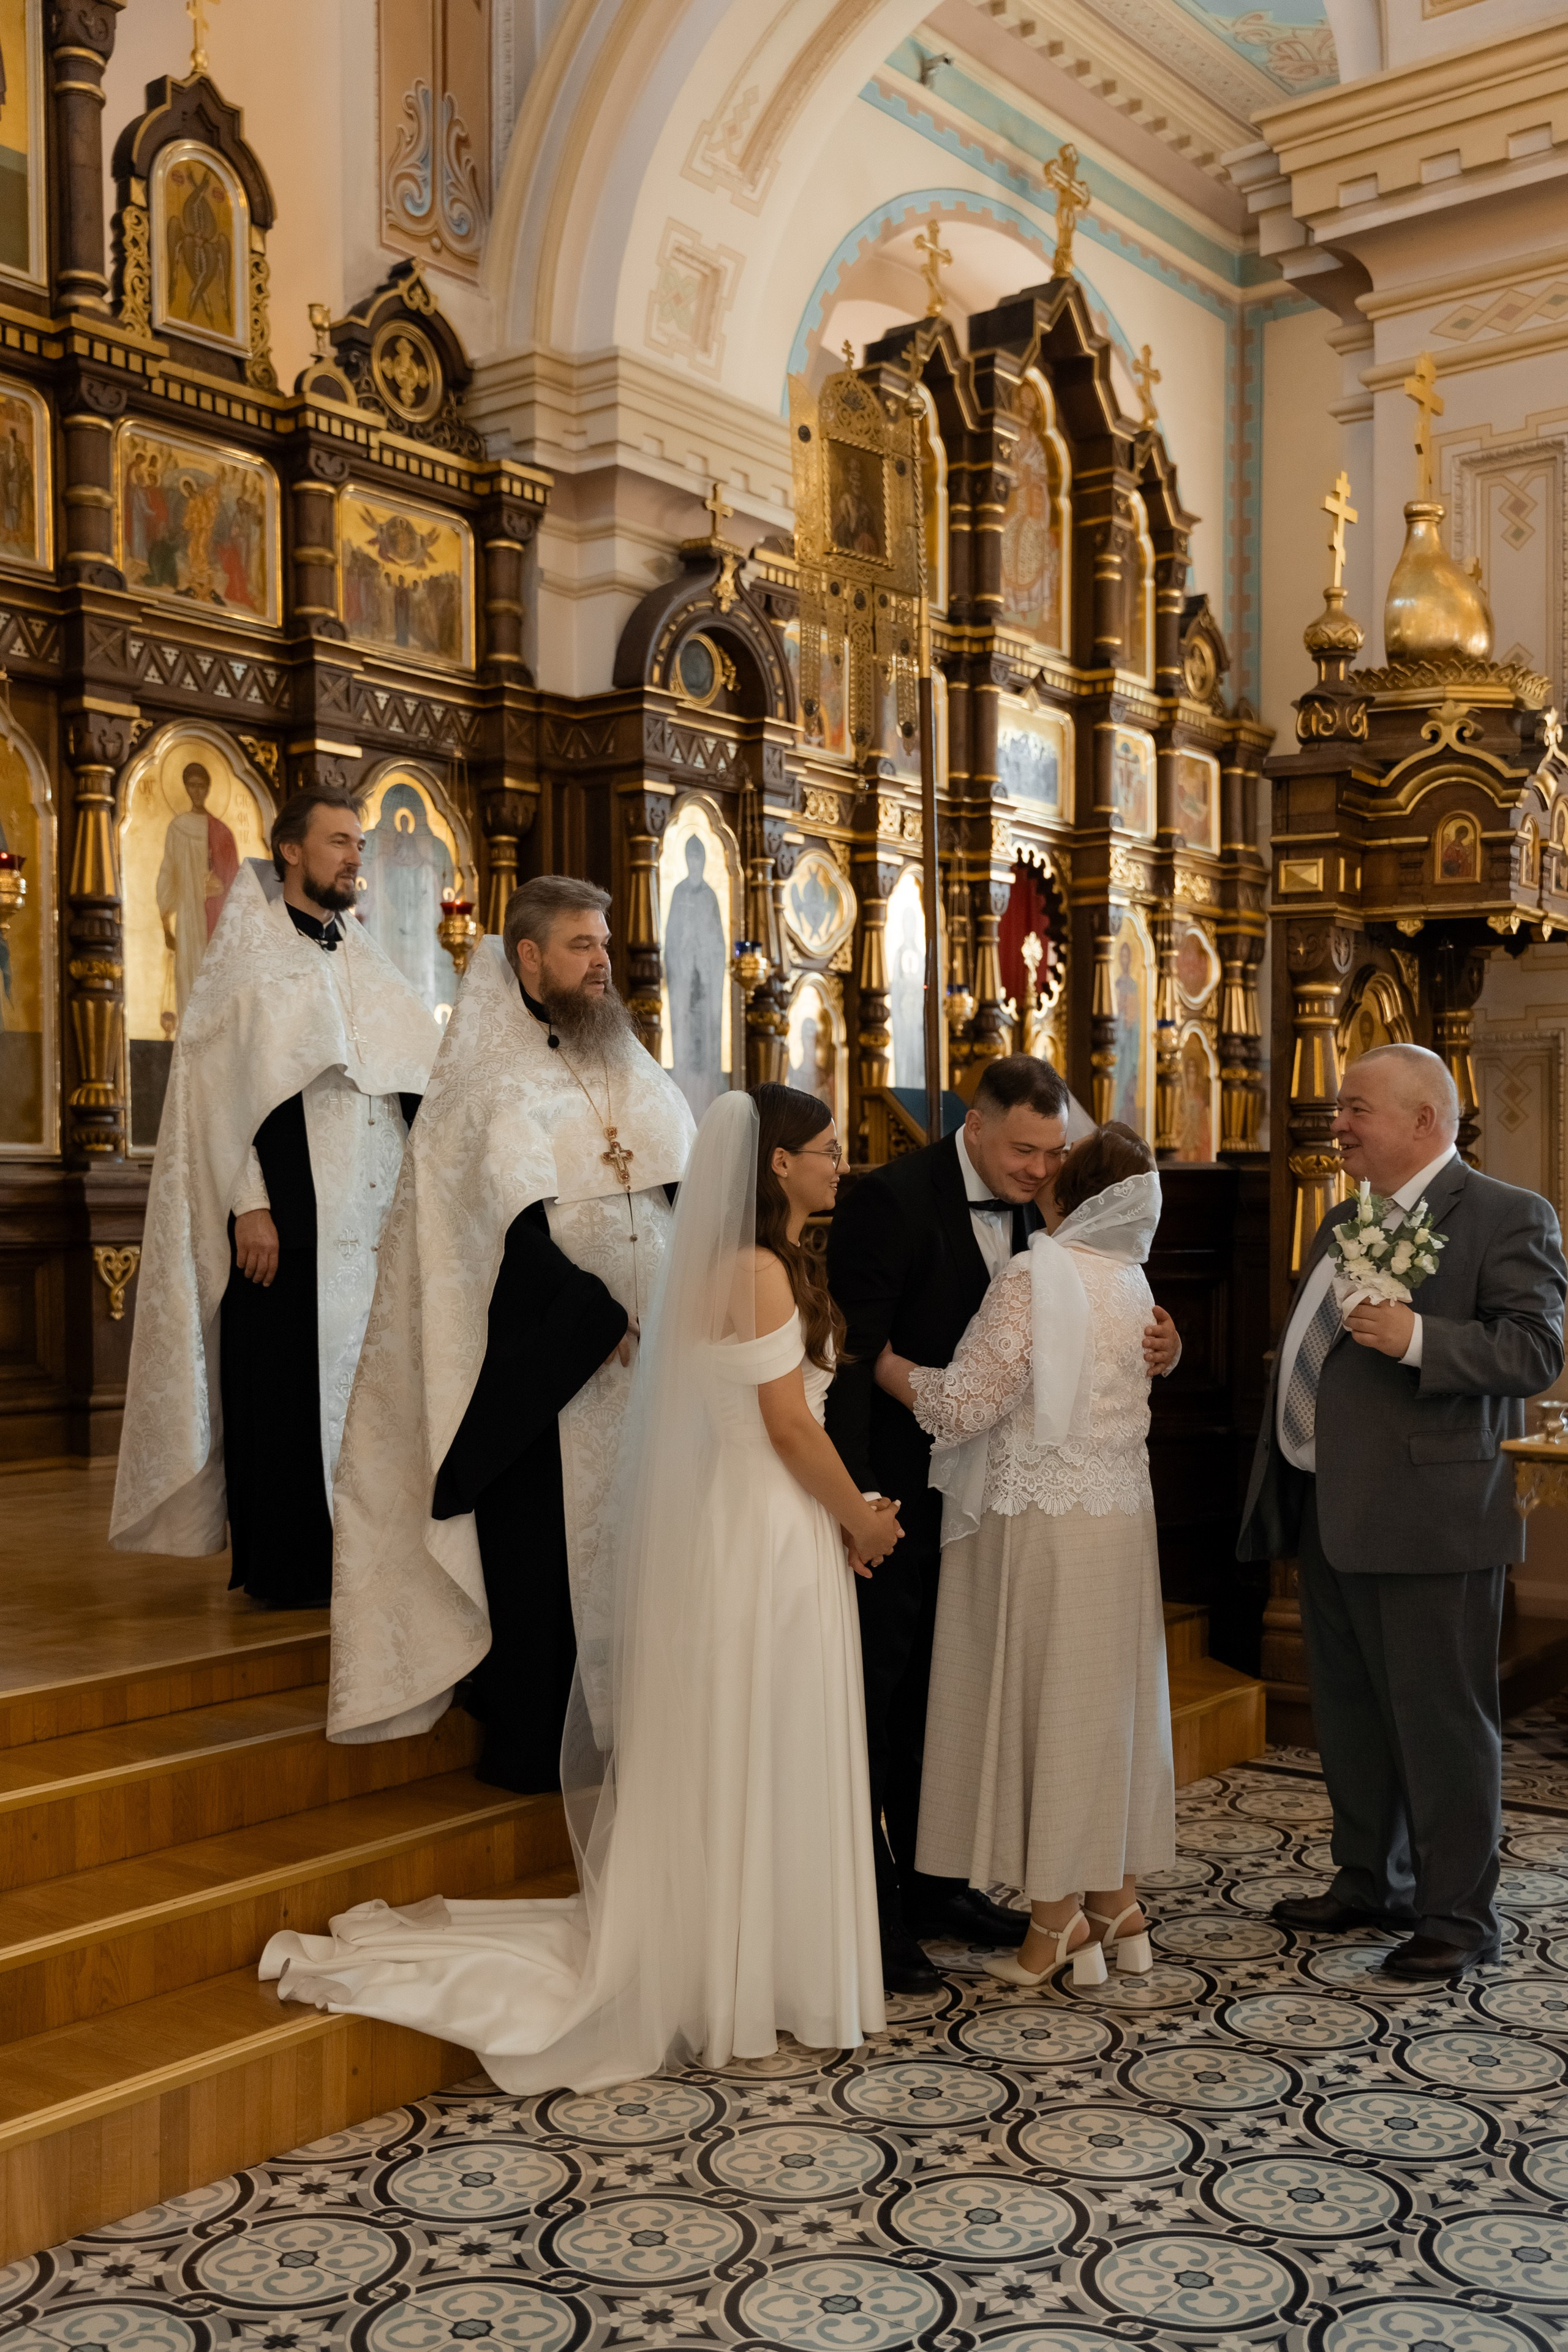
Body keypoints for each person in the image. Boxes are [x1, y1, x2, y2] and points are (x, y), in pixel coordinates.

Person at [262, 1085, 896, 2090]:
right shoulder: (760, 1272)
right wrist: (859, 1517)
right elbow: (786, 1427)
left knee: (752, 1738)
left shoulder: (731, 1267)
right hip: (768, 1529)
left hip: (754, 1522)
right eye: (828, 1148)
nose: (841, 1163)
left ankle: (744, 1960)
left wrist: (843, 1509)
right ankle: (759, 1972)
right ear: (778, 1164)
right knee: (765, 1734)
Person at [324, 876, 695, 1789]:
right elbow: (494, 1232)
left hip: (655, 1369)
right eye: (580, 945)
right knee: (548, 1565)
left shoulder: (630, 1063)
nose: (602, 961)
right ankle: (542, 1748)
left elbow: (683, 1186)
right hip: (553, 1370)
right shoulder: (483, 1079)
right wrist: (595, 1316)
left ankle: (641, 1738)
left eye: (604, 943)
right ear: (527, 958)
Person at [826, 1053, 1183, 1993]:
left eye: (1054, 1154)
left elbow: (981, 1386)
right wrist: (858, 1493)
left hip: (1014, 1505)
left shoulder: (1066, 1232)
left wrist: (1170, 1345)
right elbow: (852, 1353)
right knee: (895, 1695)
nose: (1038, 1172)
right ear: (973, 1125)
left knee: (985, 1701)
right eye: (1024, 1151)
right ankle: (884, 1910)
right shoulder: (893, 1200)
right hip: (916, 1494)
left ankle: (951, 1889)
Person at [1238, 1043, 1567, 1982]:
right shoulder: (1342, 1218)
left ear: (1425, 1120)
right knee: (1348, 1712)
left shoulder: (1508, 1215)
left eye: (1355, 1109)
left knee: (1440, 1721)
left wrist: (1420, 1337)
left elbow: (1535, 1350)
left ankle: (1459, 1917)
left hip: (1435, 1512)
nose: (1336, 1124)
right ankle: (1368, 1881)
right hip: (1330, 1505)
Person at [110, 786, 440, 1606]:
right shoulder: (246, 953)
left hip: (368, 1216)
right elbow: (216, 1094)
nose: (353, 858)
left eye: (359, 845)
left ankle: (367, 1551)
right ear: (291, 850)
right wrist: (247, 1202)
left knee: (372, 1383)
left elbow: (412, 1077)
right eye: (338, 843)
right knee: (282, 1379)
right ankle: (290, 1561)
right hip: (285, 1209)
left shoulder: (365, 957)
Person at [156, 761, 240, 1025]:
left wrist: (221, 887)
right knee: (187, 977)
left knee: (213, 977)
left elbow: (235, 883)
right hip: (187, 916)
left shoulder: (222, 832)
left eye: (201, 785)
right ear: (185, 787)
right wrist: (166, 924)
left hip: (213, 918)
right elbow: (168, 872)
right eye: (191, 785)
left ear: (208, 788)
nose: (196, 791)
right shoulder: (177, 827)